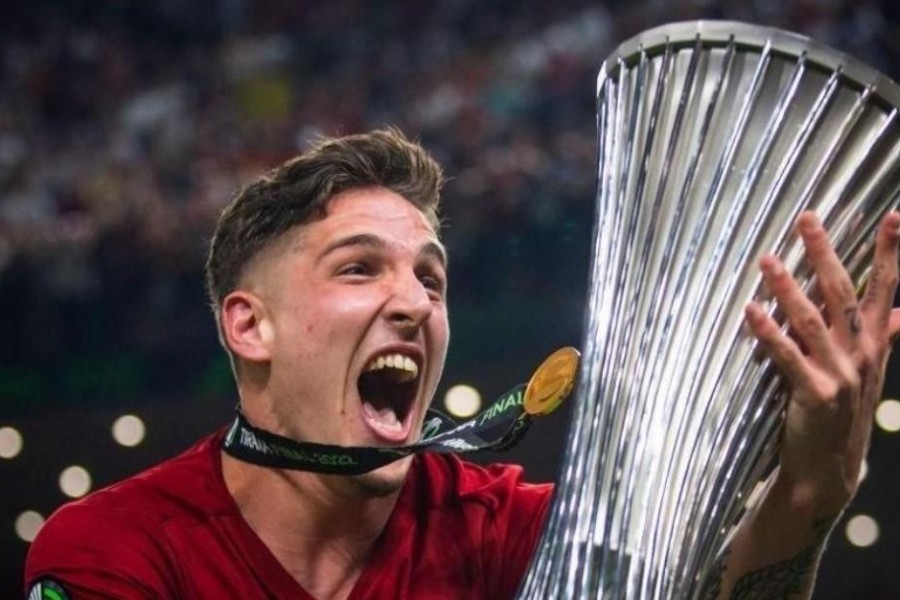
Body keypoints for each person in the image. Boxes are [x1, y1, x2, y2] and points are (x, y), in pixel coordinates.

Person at [24, 128, 900, 599]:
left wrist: (809, 493)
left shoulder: (505, 529)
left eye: (431, 278)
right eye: (360, 268)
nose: (416, 303)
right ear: (251, 327)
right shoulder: (117, 550)